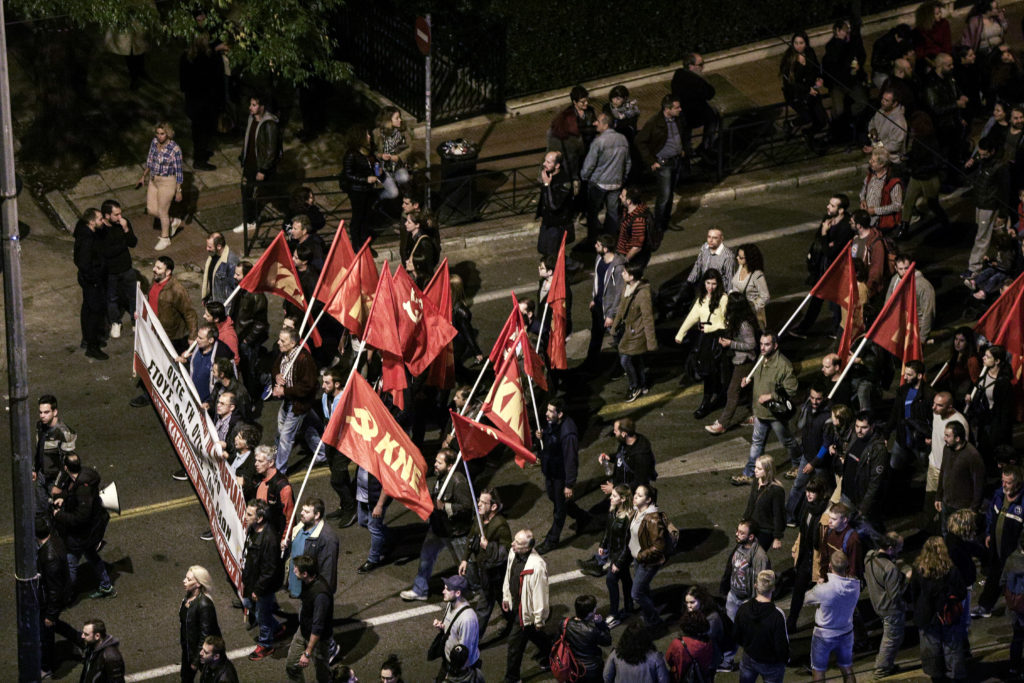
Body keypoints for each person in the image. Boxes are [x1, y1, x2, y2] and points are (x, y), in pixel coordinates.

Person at [401, 449, 473, 600]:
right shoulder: (441, 478)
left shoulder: (458, 481)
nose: (435, 464)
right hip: (438, 528)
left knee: (465, 565)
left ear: (449, 466)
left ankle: (475, 590)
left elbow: (468, 506)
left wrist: (447, 507)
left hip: (455, 533)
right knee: (426, 558)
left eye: (439, 462)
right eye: (435, 461)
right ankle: (420, 590)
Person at [732, 332, 801, 486]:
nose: (762, 347)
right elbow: (757, 375)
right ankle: (749, 473)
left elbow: (792, 389)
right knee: (756, 444)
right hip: (759, 412)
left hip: (775, 414)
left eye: (767, 344)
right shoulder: (761, 359)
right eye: (761, 344)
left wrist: (771, 396)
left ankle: (798, 464)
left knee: (787, 441)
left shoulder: (783, 365)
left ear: (775, 346)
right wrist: (748, 380)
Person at [51, 453, 114, 599]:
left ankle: (67, 593)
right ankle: (106, 585)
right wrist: (64, 497)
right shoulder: (85, 476)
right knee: (92, 555)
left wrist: (58, 515)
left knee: (71, 564)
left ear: (66, 468)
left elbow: (80, 518)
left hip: (81, 535)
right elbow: (72, 490)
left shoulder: (82, 490)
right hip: (91, 531)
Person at [792, 193, 854, 338]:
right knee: (818, 297)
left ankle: (837, 329)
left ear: (841, 210)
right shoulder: (827, 218)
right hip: (823, 266)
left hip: (836, 269)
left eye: (832, 205)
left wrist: (826, 234)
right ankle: (806, 328)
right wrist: (825, 238)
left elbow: (832, 252)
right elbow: (818, 239)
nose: (828, 206)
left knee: (836, 299)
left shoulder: (846, 227)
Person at [909, 537, 968, 683]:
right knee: (952, 647)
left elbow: (913, 591)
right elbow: (961, 592)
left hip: (926, 614)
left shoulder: (918, 568)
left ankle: (936, 675)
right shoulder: (951, 569)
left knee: (931, 648)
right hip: (947, 613)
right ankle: (955, 674)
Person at [536, 398, 589, 554]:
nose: (547, 413)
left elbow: (571, 459)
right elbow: (551, 440)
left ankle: (551, 540)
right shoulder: (554, 423)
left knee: (559, 510)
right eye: (547, 409)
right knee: (556, 499)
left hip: (560, 476)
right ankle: (583, 518)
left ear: (560, 414)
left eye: (551, 411)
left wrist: (569, 484)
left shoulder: (568, 432)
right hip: (551, 472)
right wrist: (543, 436)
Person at [673, 268, 728, 419]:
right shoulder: (701, 298)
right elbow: (692, 317)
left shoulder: (723, 298)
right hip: (705, 339)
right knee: (707, 370)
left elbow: (724, 322)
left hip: (717, 339)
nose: (710, 287)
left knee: (712, 370)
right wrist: (680, 334)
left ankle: (708, 401)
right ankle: (714, 395)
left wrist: (709, 326)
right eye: (708, 283)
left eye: (714, 284)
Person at [718, 519, 771, 672]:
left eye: (742, 533)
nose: (737, 534)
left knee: (749, 634)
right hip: (733, 596)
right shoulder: (739, 547)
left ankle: (754, 662)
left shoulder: (760, 557)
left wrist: (753, 605)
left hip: (746, 601)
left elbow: (761, 583)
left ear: (751, 536)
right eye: (737, 530)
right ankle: (727, 661)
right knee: (730, 631)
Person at [458, 488, 512, 636]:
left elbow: (506, 553)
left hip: (495, 574)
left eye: (483, 502)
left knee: (484, 606)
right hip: (484, 570)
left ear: (493, 507)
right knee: (503, 602)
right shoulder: (479, 518)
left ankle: (472, 640)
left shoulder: (500, 525)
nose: (478, 504)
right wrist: (465, 558)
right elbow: (471, 538)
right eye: (478, 501)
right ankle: (515, 624)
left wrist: (488, 546)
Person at [974, 465, 1024, 618]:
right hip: (997, 548)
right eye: (1002, 481)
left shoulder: (1022, 504)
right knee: (993, 577)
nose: (1003, 485)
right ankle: (985, 606)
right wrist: (989, 533)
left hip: (1014, 555)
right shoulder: (999, 495)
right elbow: (991, 515)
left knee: (1015, 586)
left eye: (1007, 483)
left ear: (1017, 483)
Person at [502, 529, 551, 683]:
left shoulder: (537, 566)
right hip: (516, 606)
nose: (512, 544)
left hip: (525, 612)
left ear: (527, 548)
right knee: (534, 634)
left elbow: (540, 594)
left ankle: (512, 678)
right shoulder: (513, 552)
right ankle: (551, 655)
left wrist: (539, 619)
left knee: (514, 645)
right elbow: (508, 575)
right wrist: (506, 596)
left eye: (517, 543)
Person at [706, 291, 759, 435]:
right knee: (750, 390)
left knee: (733, 391)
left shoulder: (744, 325)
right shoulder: (740, 320)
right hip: (743, 359)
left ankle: (723, 423)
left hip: (745, 360)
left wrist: (731, 343)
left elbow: (751, 345)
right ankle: (756, 415)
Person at [804, 550, 861, 683]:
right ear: (847, 566)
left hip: (824, 634)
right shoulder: (855, 585)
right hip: (846, 632)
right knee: (847, 668)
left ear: (830, 565)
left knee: (818, 671)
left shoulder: (824, 589)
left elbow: (806, 599)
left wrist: (818, 585)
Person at [635, 94, 687, 238]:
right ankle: (658, 226)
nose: (680, 110)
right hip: (663, 163)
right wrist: (651, 161)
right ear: (667, 109)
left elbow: (682, 135)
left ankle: (666, 221)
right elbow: (640, 141)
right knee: (664, 196)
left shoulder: (678, 120)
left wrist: (682, 149)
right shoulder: (654, 122)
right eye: (677, 107)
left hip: (676, 161)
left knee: (670, 195)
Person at [583, 484, 634, 628]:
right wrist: (602, 544)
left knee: (611, 580)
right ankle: (629, 606)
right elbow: (608, 530)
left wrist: (618, 562)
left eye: (614, 496)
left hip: (621, 555)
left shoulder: (628, 518)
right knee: (625, 578)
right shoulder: (613, 511)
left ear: (623, 499)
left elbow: (628, 543)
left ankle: (614, 614)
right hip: (614, 552)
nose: (610, 498)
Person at [271, 326, 320, 474]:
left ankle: (280, 470)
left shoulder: (304, 359)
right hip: (288, 402)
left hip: (298, 404)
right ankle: (322, 453)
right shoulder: (284, 355)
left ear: (293, 344)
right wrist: (277, 376)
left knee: (286, 437)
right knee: (302, 428)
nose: (278, 342)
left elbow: (308, 386)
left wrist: (284, 390)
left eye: (282, 340)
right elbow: (275, 368)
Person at [241, 499, 285, 661]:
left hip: (263, 585)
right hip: (253, 579)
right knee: (247, 604)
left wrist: (258, 590)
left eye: (249, 514)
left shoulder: (269, 539)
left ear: (259, 519)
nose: (245, 516)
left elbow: (269, 570)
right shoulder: (253, 530)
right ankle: (277, 628)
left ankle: (266, 645)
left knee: (262, 615)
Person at [787, 476, 831, 634]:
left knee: (823, 596)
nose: (808, 495)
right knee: (798, 591)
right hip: (806, 557)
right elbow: (802, 531)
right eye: (807, 491)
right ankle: (791, 622)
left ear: (821, 493)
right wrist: (796, 547)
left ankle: (825, 625)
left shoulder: (826, 515)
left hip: (818, 560)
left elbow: (826, 543)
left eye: (812, 492)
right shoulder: (808, 507)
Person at [864, 532, 909, 678]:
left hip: (877, 602)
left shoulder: (869, 556)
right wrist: (906, 579)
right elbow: (895, 595)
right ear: (890, 548)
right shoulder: (889, 568)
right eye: (899, 547)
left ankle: (886, 665)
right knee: (891, 639)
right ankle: (881, 669)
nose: (901, 550)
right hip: (889, 608)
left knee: (889, 637)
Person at [581, 112, 631, 244]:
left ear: (605, 124)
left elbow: (590, 164)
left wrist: (584, 177)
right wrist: (622, 177)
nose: (594, 123)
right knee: (613, 212)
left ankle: (592, 240)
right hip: (616, 182)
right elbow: (628, 162)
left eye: (597, 121)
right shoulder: (622, 139)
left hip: (599, 183)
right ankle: (610, 239)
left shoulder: (599, 142)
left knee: (592, 213)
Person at [840, 412, 890, 541]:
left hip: (861, 499)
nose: (859, 430)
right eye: (857, 426)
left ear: (872, 427)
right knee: (849, 528)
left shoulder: (878, 449)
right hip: (847, 493)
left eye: (863, 427)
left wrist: (864, 506)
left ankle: (883, 552)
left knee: (871, 530)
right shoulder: (855, 437)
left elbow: (875, 482)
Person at [36, 521, 77, 678]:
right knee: (52, 626)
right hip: (56, 597)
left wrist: (50, 615)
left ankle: (46, 668)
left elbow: (54, 590)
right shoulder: (55, 539)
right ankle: (79, 638)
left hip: (50, 602)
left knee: (46, 634)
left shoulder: (49, 556)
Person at [732, 569, 789, 682]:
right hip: (771, 663)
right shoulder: (777, 615)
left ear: (755, 586)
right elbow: (781, 644)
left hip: (749, 657)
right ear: (773, 588)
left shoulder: (743, 608)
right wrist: (785, 659)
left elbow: (736, 635)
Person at [237, 94, 281, 237]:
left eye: (254, 105)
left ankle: (250, 221)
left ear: (262, 107)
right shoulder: (251, 119)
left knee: (259, 192)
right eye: (250, 104)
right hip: (250, 164)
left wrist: (263, 169)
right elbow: (249, 140)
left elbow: (271, 150)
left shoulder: (269, 124)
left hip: (260, 166)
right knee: (246, 190)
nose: (250, 107)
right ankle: (249, 220)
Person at [612, 262, 657, 402]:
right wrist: (615, 326)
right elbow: (621, 308)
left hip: (637, 333)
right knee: (636, 360)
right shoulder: (628, 287)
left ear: (632, 276)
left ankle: (634, 386)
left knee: (625, 360)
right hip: (628, 330)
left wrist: (651, 342)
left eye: (625, 272)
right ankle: (642, 384)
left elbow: (647, 318)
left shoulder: (643, 294)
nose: (622, 274)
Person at [965, 136, 1009, 276]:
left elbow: (1005, 191)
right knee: (990, 234)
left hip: (989, 206)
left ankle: (974, 268)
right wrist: (971, 164)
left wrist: (1002, 213)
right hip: (980, 203)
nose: (981, 156)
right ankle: (1002, 258)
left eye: (984, 154)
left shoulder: (1000, 167)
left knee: (982, 237)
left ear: (992, 152)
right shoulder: (981, 162)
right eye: (980, 153)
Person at [286, 555, 334, 682]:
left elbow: (318, 626)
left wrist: (307, 653)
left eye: (296, 568)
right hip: (303, 631)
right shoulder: (307, 582)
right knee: (292, 666)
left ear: (305, 573)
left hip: (319, 640)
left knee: (322, 675)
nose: (294, 570)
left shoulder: (320, 595)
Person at [965, 344, 1015, 461]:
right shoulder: (983, 373)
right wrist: (970, 395)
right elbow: (976, 387)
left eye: (987, 357)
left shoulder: (1003, 383)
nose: (983, 358)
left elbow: (1006, 410)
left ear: (997, 361)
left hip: (994, 424)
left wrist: (1002, 432)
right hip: (983, 420)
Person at [884, 359, 934, 473]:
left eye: (909, 374)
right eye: (905, 373)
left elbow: (932, 419)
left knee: (925, 469)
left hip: (920, 440)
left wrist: (930, 436)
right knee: (894, 465)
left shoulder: (929, 395)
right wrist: (886, 434)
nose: (905, 377)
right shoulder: (903, 391)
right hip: (902, 437)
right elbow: (895, 413)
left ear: (920, 376)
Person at [140, 122, 184, 250]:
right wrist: (143, 176)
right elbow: (150, 160)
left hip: (167, 181)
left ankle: (165, 238)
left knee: (162, 211)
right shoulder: (154, 142)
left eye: (162, 133)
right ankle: (172, 221)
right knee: (151, 209)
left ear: (168, 133)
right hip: (154, 180)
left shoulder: (175, 149)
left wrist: (178, 190)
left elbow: (179, 171)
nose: (160, 136)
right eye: (158, 133)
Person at [98, 199, 138, 339]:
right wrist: (123, 244)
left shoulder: (123, 224)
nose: (120, 217)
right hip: (110, 272)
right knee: (112, 298)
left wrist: (126, 229)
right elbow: (107, 252)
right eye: (116, 215)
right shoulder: (101, 229)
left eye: (121, 213)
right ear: (107, 215)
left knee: (133, 296)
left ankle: (135, 320)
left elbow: (133, 242)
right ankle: (115, 322)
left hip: (126, 267)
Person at [936, 422, 985, 532]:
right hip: (946, 503)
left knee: (960, 538)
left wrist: (973, 510)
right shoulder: (947, 449)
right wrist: (938, 496)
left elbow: (979, 485)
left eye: (948, 436)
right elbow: (943, 472)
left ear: (958, 438)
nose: (944, 438)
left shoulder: (972, 455)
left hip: (962, 508)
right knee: (946, 533)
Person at [546, 85, 597, 192]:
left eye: (586, 101)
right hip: (575, 151)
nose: (586, 104)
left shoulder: (590, 111)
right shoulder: (569, 115)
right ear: (574, 102)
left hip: (588, 147)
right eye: (582, 102)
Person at [780, 31, 828, 142]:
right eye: (796, 43)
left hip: (812, 89)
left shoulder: (809, 53)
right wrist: (807, 90)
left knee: (822, 120)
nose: (798, 46)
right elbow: (791, 83)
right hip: (796, 94)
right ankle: (790, 124)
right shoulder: (789, 59)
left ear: (806, 43)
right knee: (807, 116)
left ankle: (808, 133)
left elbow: (816, 67)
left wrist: (819, 78)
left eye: (801, 43)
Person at [74, 208, 108, 360]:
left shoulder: (85, 232)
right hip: (92, 280)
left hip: (89, 279)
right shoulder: (87, 239)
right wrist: (94, 278)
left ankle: (88, 339)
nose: (103, 221)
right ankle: (92, 346)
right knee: (94, 312)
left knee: (88, 309)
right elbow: (83, 262)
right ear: (91, 221)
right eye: (100, 219)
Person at [671, 52, 720, 159]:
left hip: (682, 114)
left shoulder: (678, 75)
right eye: (700, 65)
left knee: (686, 133)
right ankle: (707, 147)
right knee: (713, 117)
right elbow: (710, 93)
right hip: (693, 114)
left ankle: (686, 151)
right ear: (691, 66)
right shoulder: (695, 81)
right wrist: (703, 79)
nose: (703, 67)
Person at [587, 234, 626, 368]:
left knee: (617, 339)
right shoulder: (599, 259)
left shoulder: (618, 267)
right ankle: (591, 362)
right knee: (596, 335)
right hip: (599, 305)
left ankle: (623, 365)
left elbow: (619, 293)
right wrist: (594, 298)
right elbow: (597, 281)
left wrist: (611, 315)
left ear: (605, 249)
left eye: (598, 245)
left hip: (609, 310)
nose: (595, 246)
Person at [432, 575, 480, 681]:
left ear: (458, 593)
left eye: (447, 589)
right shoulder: (451, 604)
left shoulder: (467, 619)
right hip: (448, 661)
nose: (443, 591)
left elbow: (463, 651)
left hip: (460, 668)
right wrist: (442, 626)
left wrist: (453, 674)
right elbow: (452, 628)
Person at [340, 127, 380, 248]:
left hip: (368, 189)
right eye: (367, 134)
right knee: (358, 217)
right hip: (357, 191)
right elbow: (348, 175)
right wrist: (365, 179)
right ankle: (356, 245)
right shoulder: (351, 155)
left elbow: (371, 163)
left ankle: (365, 244)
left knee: (367, 216)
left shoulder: (368, 151)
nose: (369, 137)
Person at [179, 566, 221, 683]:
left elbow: (205, 635)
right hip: (188, 649)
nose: (184, 581)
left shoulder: (204, 605)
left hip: (204, 653)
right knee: (185, 678)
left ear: (198, 584)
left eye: (188, 579)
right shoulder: (188, 598)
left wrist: (196, 660)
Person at [559, 594, 611, 683]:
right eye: (595, 608)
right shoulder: (592, 630)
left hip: (572, 666)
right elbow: (607, 641)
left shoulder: (564, 623)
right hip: (592, 670)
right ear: (590, 613)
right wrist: (601, 624)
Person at [598, 418, 656, 494]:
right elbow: (623, 455)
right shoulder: (626, 441)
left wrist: (615, 489)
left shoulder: (641, 456)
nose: (614, 432)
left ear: (623, 434)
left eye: (616, 431)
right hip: (620, 488)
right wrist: (609, 457)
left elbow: (639, 482)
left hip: (630, 496)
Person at [535, 150, 574, 259]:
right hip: (547, 221)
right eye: (545, 161)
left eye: (548, 162)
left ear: (557, 165)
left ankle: (571, 267)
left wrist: (547, 185)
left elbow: (554, 206)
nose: (544, 164)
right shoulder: (546, 174)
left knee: (552, 254)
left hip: (557, 224)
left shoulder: (564, 181)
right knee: (542, 248)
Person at [685, 585, 731, 674]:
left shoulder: (712, 619)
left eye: (692, 602)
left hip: (709, 656)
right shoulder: (696, 612)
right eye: (687, 603)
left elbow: (708, 641)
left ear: (701, 601)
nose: (689, 606)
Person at [744, 455, 786, 551]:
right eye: (755, 467)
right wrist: (744, 520)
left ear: (768, 471)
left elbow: (778, 514)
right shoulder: (756, 481)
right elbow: (751, 503)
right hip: (753, 525)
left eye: (759, 469)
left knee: (756, 558)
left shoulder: (776, 490)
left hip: (765, 530)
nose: (755, 470)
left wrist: (777, 538)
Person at [602, 621, 670, 682]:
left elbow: (606, 677)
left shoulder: (615, 654)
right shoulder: (656, 658)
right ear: (646, 638)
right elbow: (664, 680)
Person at [35, 394, 77, 486]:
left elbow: (68, 464)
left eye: (46, 412)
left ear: (55, 412)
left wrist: (57, 485)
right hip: (42, 477)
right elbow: (39, 450)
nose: (42, 416)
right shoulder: (40, 426)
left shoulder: (65, 434)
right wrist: (35, 469)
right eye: (40, 412)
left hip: (56, 480)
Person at [859, 148, 903, 232]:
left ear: (881, 164)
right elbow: (863, 191)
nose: (870, 162)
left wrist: (875, 211)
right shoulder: (870, 176)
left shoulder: (892, 182)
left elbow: (897, 206)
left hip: (883, 224)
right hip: (869, 221)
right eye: (871, 159)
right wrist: (862, 200)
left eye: (873, 161)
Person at [819, 503, 863, 582]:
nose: (829, 521)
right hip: (830, 577)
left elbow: (854, 567)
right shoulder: (829, 531)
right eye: (830, 517)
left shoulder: (852, 539)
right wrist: (822, 576)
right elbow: (824, 555)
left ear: (845, 519)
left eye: (834, 519)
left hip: (843, 581)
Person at [665, 609, 713, 683]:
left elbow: (669, 659)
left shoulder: (677, 644)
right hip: (702, 677)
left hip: (681, 677)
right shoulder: (707, 642)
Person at [373, 106, 411, 194]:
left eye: (400, 117)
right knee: (392, 192)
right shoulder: (377, 133)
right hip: (383, 167)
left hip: (399, 166)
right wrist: (381, 156)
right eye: (397, 118)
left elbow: (410, 148)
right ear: (388, 120)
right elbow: (373, 151)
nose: (400, 120)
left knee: (403, 180)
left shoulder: (403, 132)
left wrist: (399, 157)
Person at [731, 244, 770, 329]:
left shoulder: (757, 275)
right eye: (737, 256)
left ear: (749, 259)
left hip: (751, 315)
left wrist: (753, 307)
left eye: (741, 257)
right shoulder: (741, 266)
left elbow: (765, 296)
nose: (737, 258)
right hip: (738, 310)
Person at [864, 90, 907, 164]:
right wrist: (873, 131)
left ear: (894, 104)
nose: (882, 102)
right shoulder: (880, 111)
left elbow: (894, 146)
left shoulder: (899, 122)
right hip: (877, 153)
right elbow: (872, 124)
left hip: (892, 159)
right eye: (882, 99)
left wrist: (875, 148)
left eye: (886, 100)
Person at [401, 210, 440, 288]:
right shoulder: (411, 237)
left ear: (417, 225)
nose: (405, 224)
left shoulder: (424, 241)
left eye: (409, 222)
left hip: (424, 280)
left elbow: (427, 259)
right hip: (417, 276)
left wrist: (413, 261)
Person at [615, 186, 651, 265]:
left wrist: (625, 260)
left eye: (622, 196)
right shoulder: (627, 210)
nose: (620, 196)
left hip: (630, 258)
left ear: (629, 201)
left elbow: (636, 247)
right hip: (621, 249)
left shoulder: (638, 221)